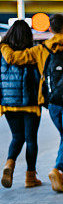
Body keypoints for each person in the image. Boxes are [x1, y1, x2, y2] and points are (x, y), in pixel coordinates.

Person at [0, 13, 63, 193]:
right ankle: (56, 170)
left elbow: (13, 58)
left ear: (50, 29)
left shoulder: (41, 51)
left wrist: (3, 45)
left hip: (53, 103)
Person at [0, 20, 43, 189]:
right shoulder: (32, 53)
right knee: (31, 139)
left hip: (9, 103)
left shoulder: (1, 51)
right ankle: (30, 178)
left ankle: (9, 165)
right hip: (31, 103)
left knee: (17, 137)